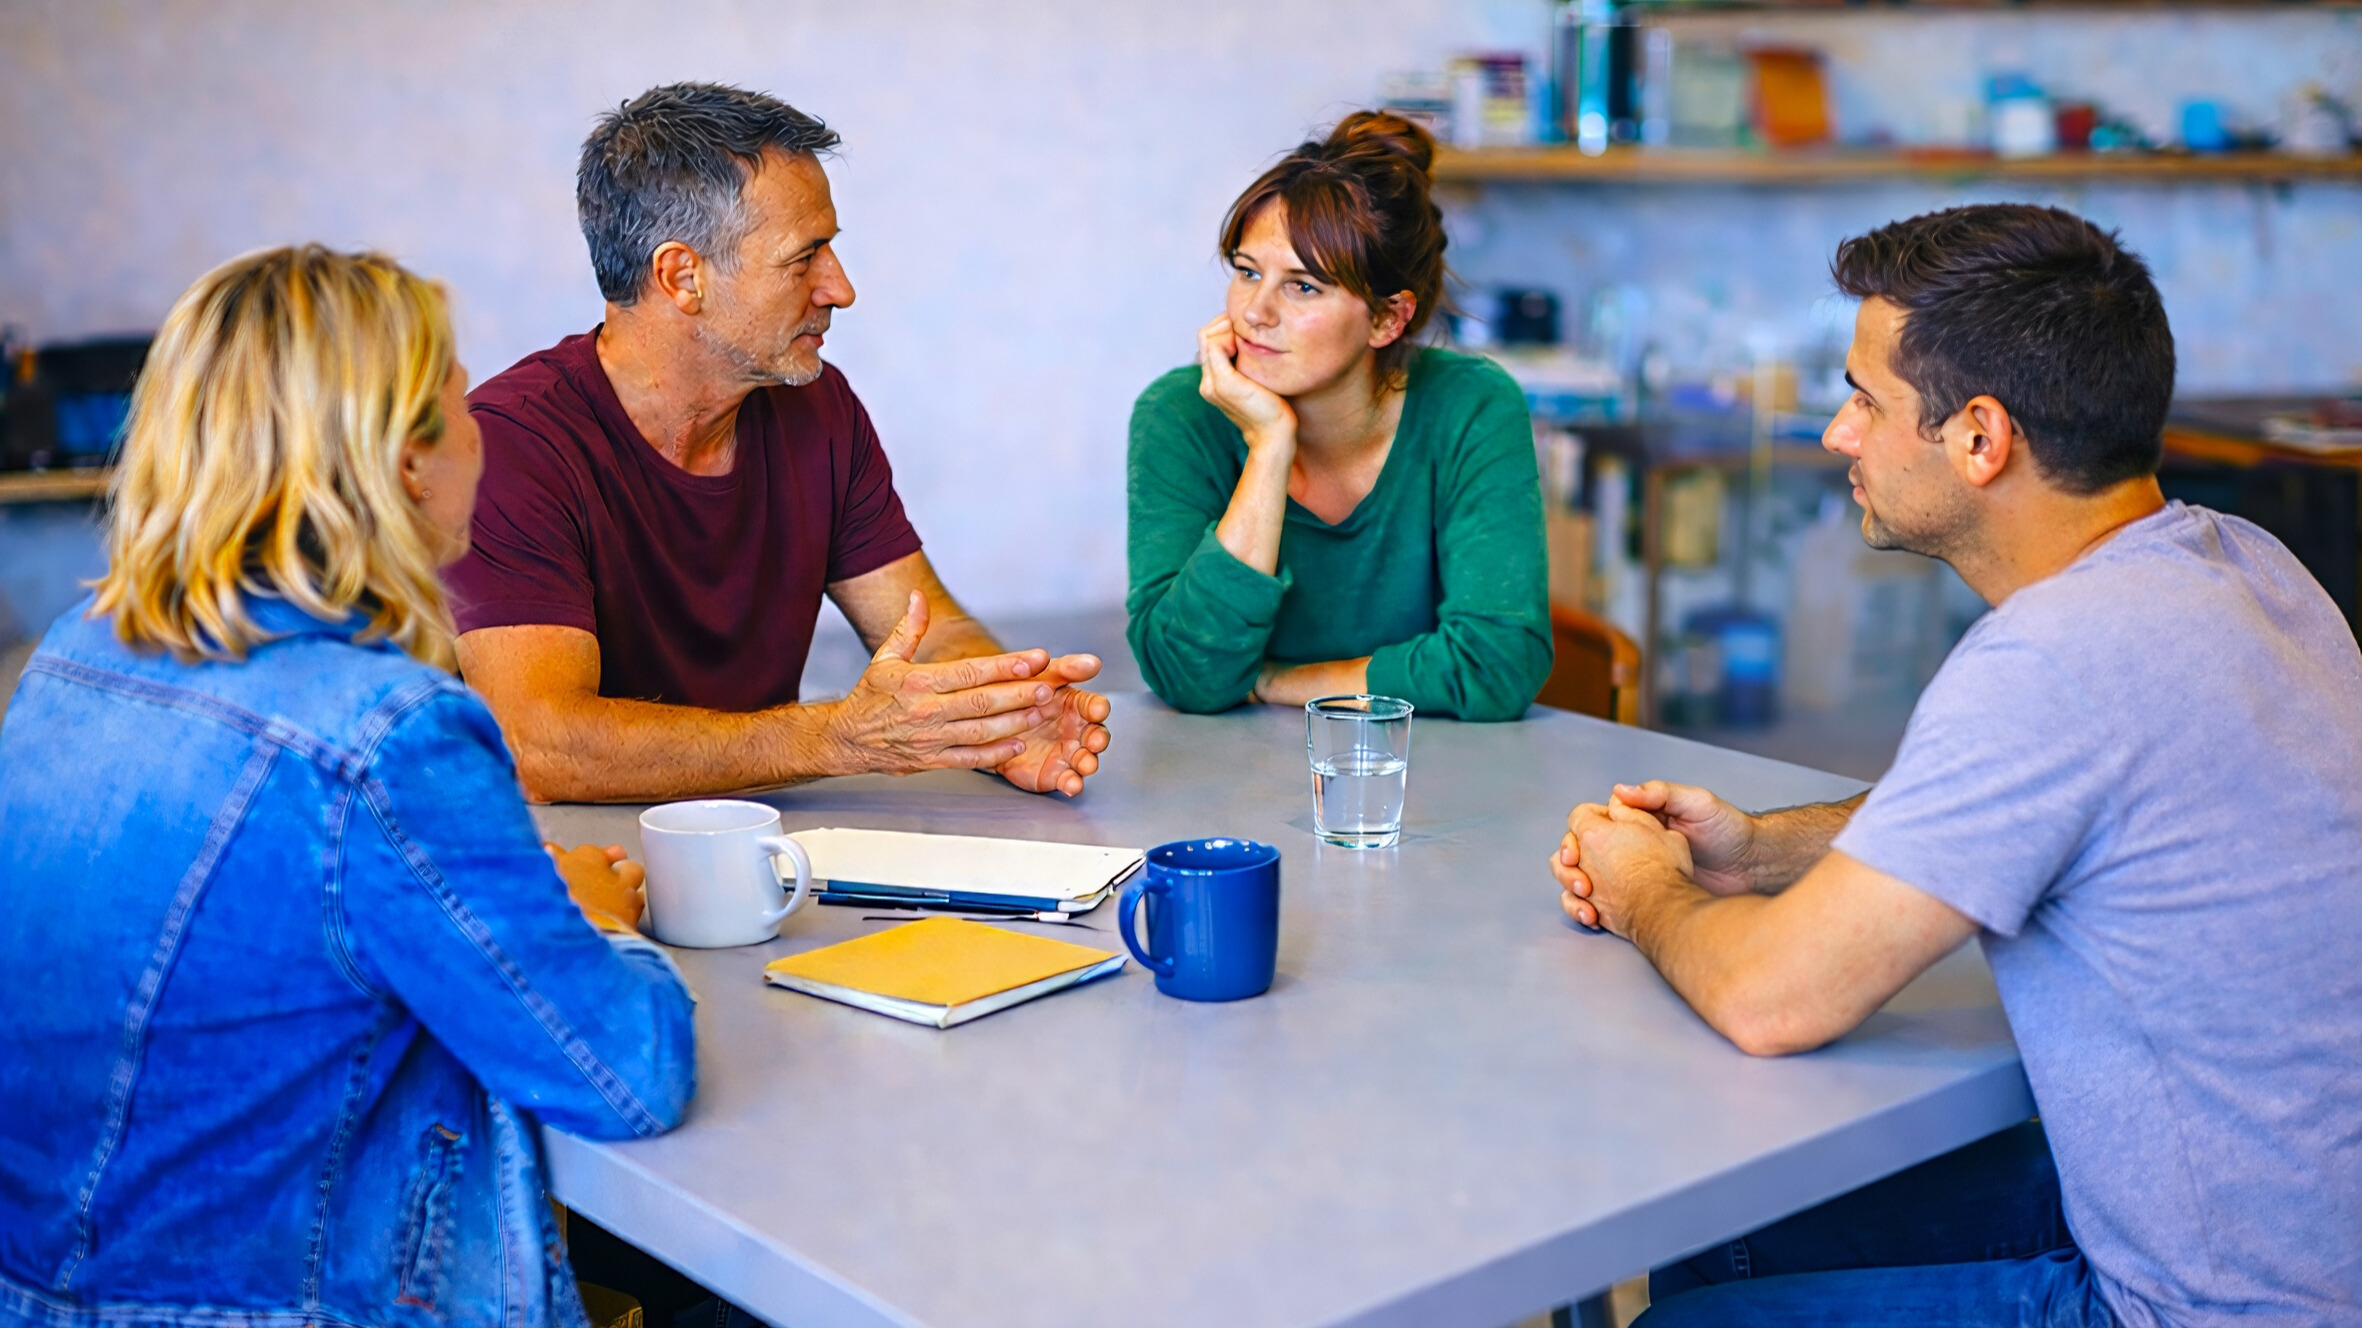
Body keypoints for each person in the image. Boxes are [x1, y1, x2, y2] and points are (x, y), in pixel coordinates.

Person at [1549, 204, 2362, 1327]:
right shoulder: (2243, 565)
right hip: (2298, 1229)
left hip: (2212, 1300)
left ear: (1979, 437)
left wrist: (1643, 885)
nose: (1839, 435)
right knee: (1720, 1227)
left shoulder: (2049, 659)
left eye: (1865, 401)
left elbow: (1771, 1000)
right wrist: (1761, 846)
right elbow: (2070, 802)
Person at [0, 247, 693, 1328]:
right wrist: (587, 923)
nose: (482, 439)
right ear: (405, 460)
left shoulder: (73, 656)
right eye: (464, 402)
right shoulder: (390, 734)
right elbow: (626, 1073)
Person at [447, 82, 1110, 803]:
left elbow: (930, 630)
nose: (841, 288)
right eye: (806, 256)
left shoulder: (817, 407)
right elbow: (541, 741)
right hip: (569, 874)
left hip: (760, 852)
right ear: (682, 277)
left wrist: (1006, 713)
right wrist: (836, 739)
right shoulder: (509, 447)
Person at [1125, 111, 1552, 721]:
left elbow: (1497, 663)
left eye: (1303, 287)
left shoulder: (1472, 407)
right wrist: (1269, 447)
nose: (1255, 313)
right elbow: (1189, 674)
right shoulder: (1179, 414)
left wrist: (1279, 682)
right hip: (1226, 787)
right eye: (1248, 273)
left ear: (1388, 319)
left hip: (1432, 782)